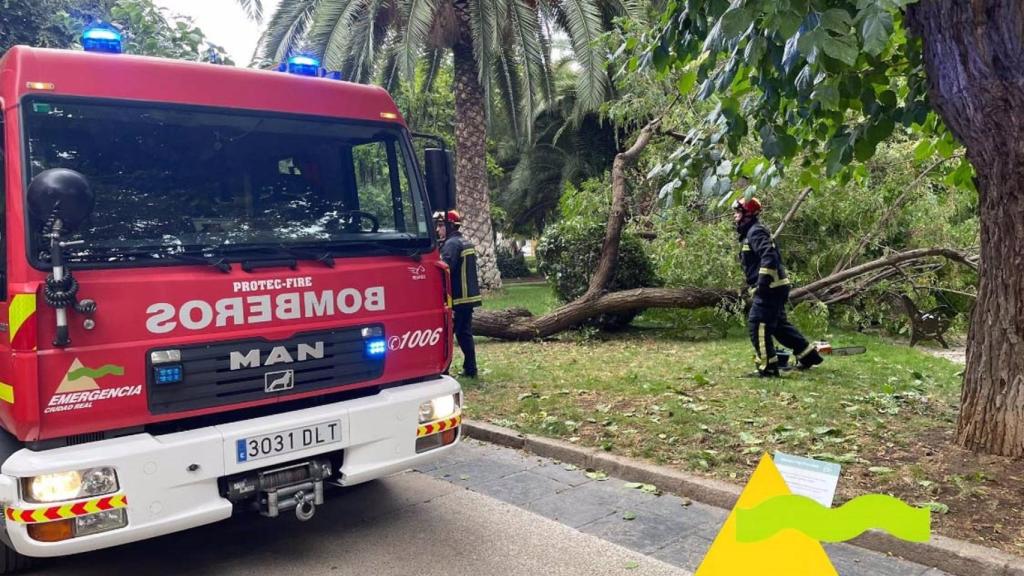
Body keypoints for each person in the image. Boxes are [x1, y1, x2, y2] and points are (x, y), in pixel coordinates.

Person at [734, 197, 823, 377]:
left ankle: (768, 368)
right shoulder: (752, 231)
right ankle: (809, 356)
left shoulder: (755, 231)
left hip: (770, 287)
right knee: (779, 327)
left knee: (757, 324)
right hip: (776, 286)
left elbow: (769, 257)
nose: (735, 217)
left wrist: (762, 283)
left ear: (748, 214)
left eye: (738, 213)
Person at [436, 210, 482, 378]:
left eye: (441, 225)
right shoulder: (464, 241)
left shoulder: (451, 244)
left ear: (450, 226)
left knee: (447, 335)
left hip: (457, 299)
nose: (438, 230)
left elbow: (445, 270)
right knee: (464, 334)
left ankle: (443, 370)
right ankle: (471, 369)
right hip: (468, 298)